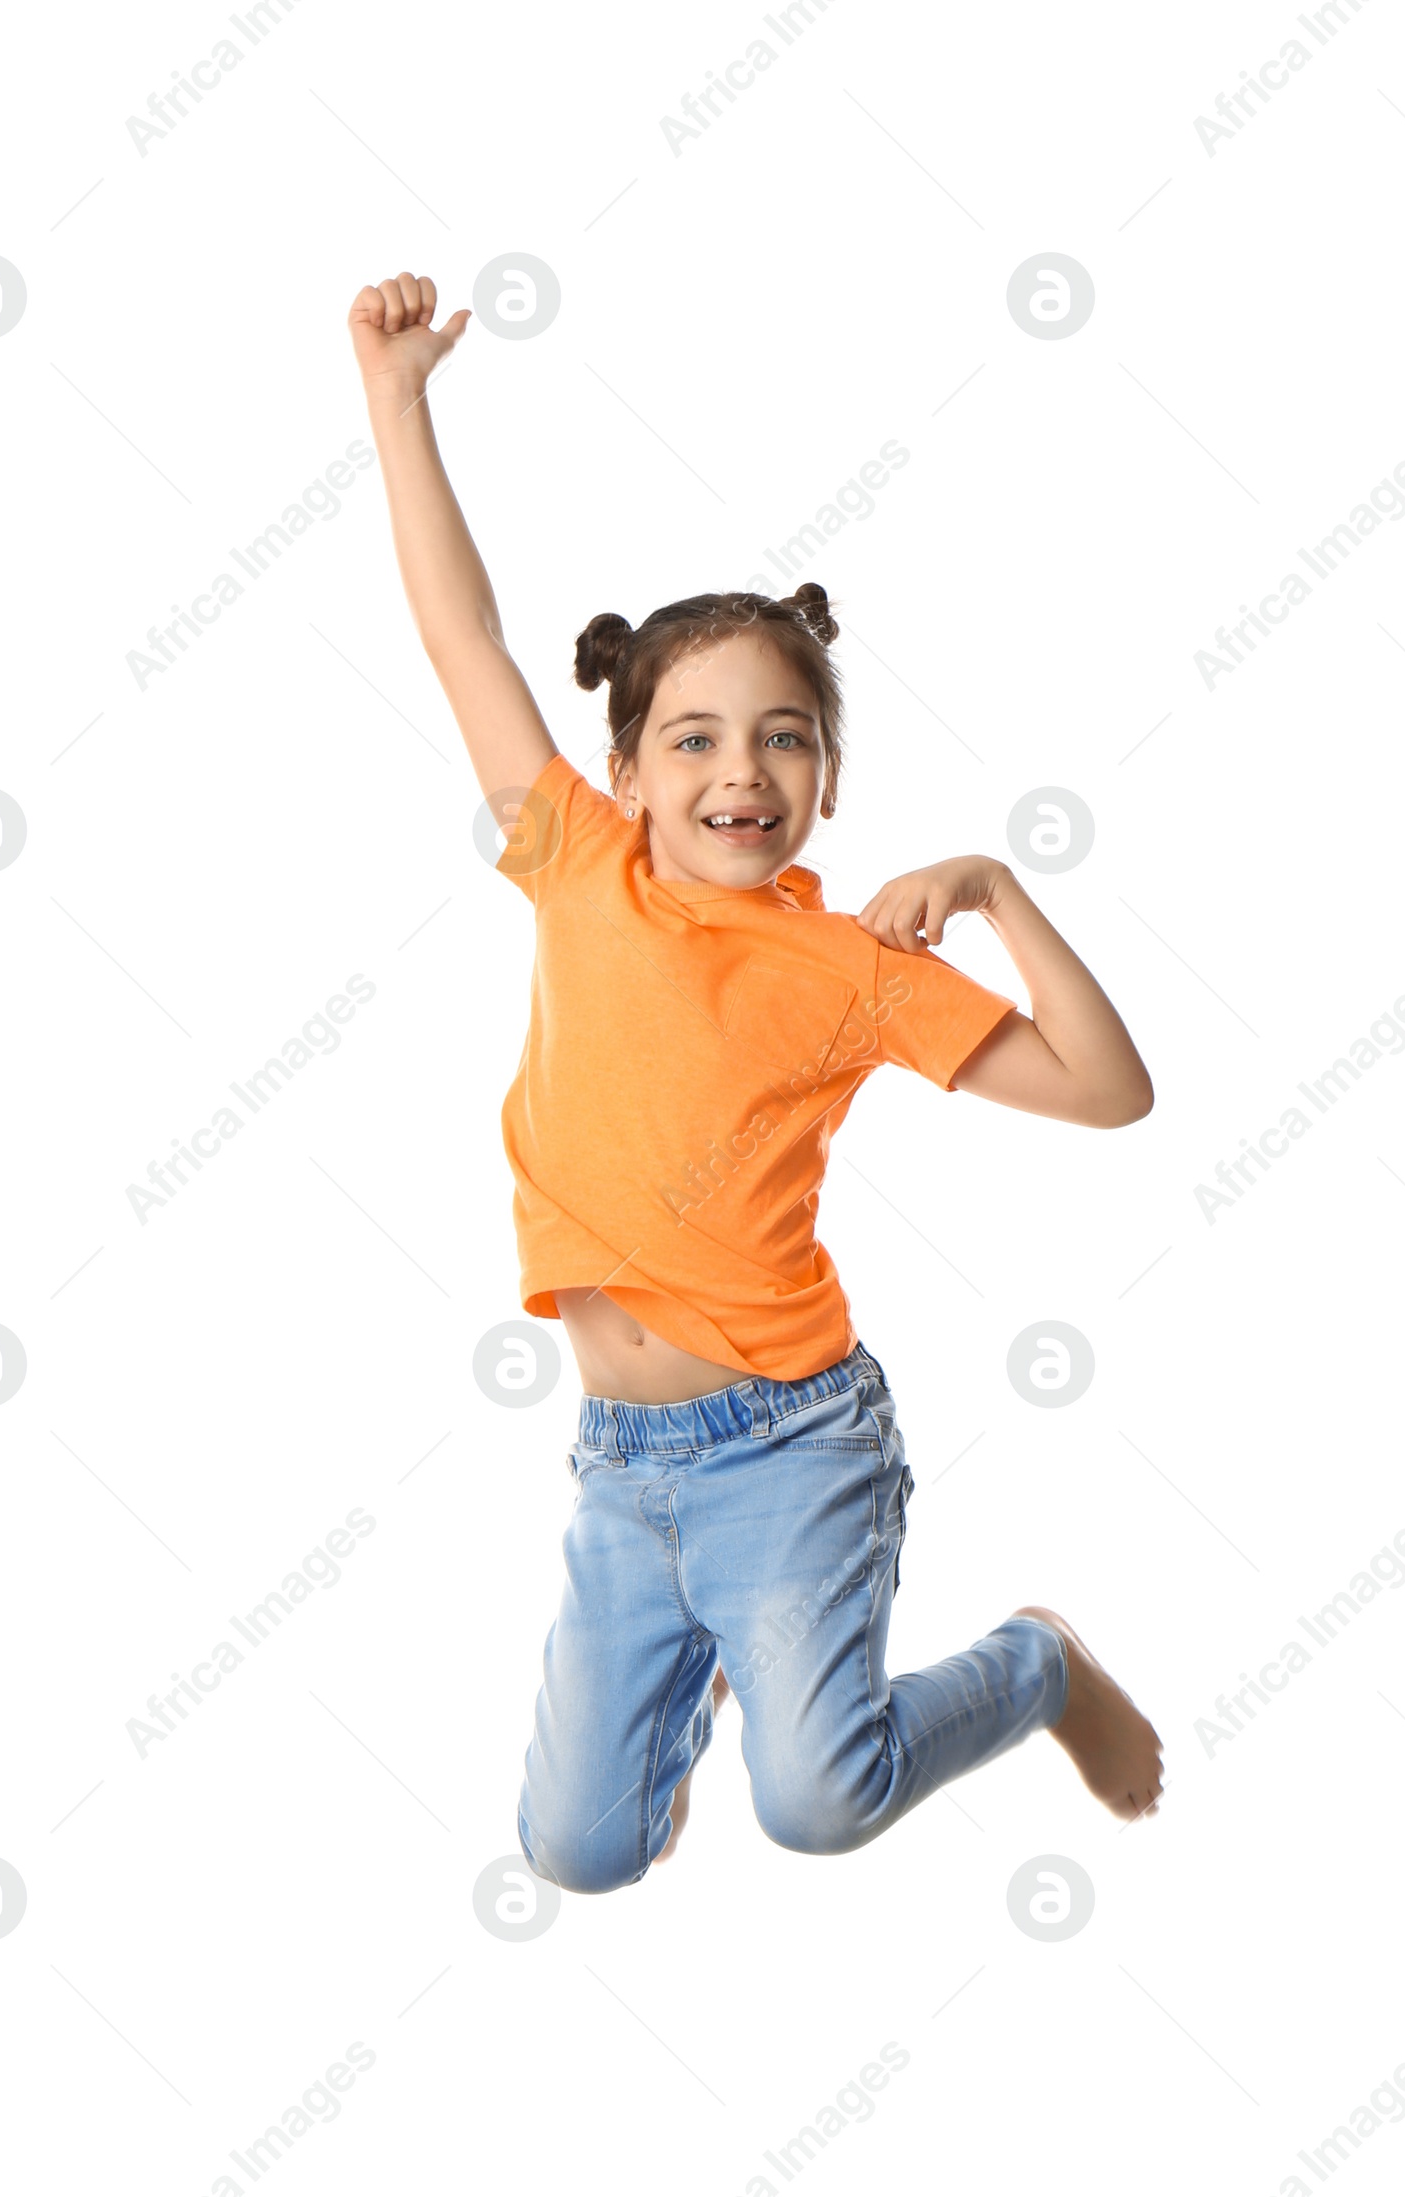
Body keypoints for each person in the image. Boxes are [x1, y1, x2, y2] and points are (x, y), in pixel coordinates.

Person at [349, 269, 1165, 1893]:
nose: (743, 771)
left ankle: (1035, 1663)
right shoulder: (578, 865)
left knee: (822, 1800)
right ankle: (735, 1644)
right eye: (700, 739)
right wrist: (396, 399)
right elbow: (459, 633)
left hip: (793, 1442)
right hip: (617, 1460)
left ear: (831, 778)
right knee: (575, 1850)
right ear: (627, 772)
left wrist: (998, 890)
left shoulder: (854, 967)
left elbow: (1108, 1089)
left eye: (786, 739)